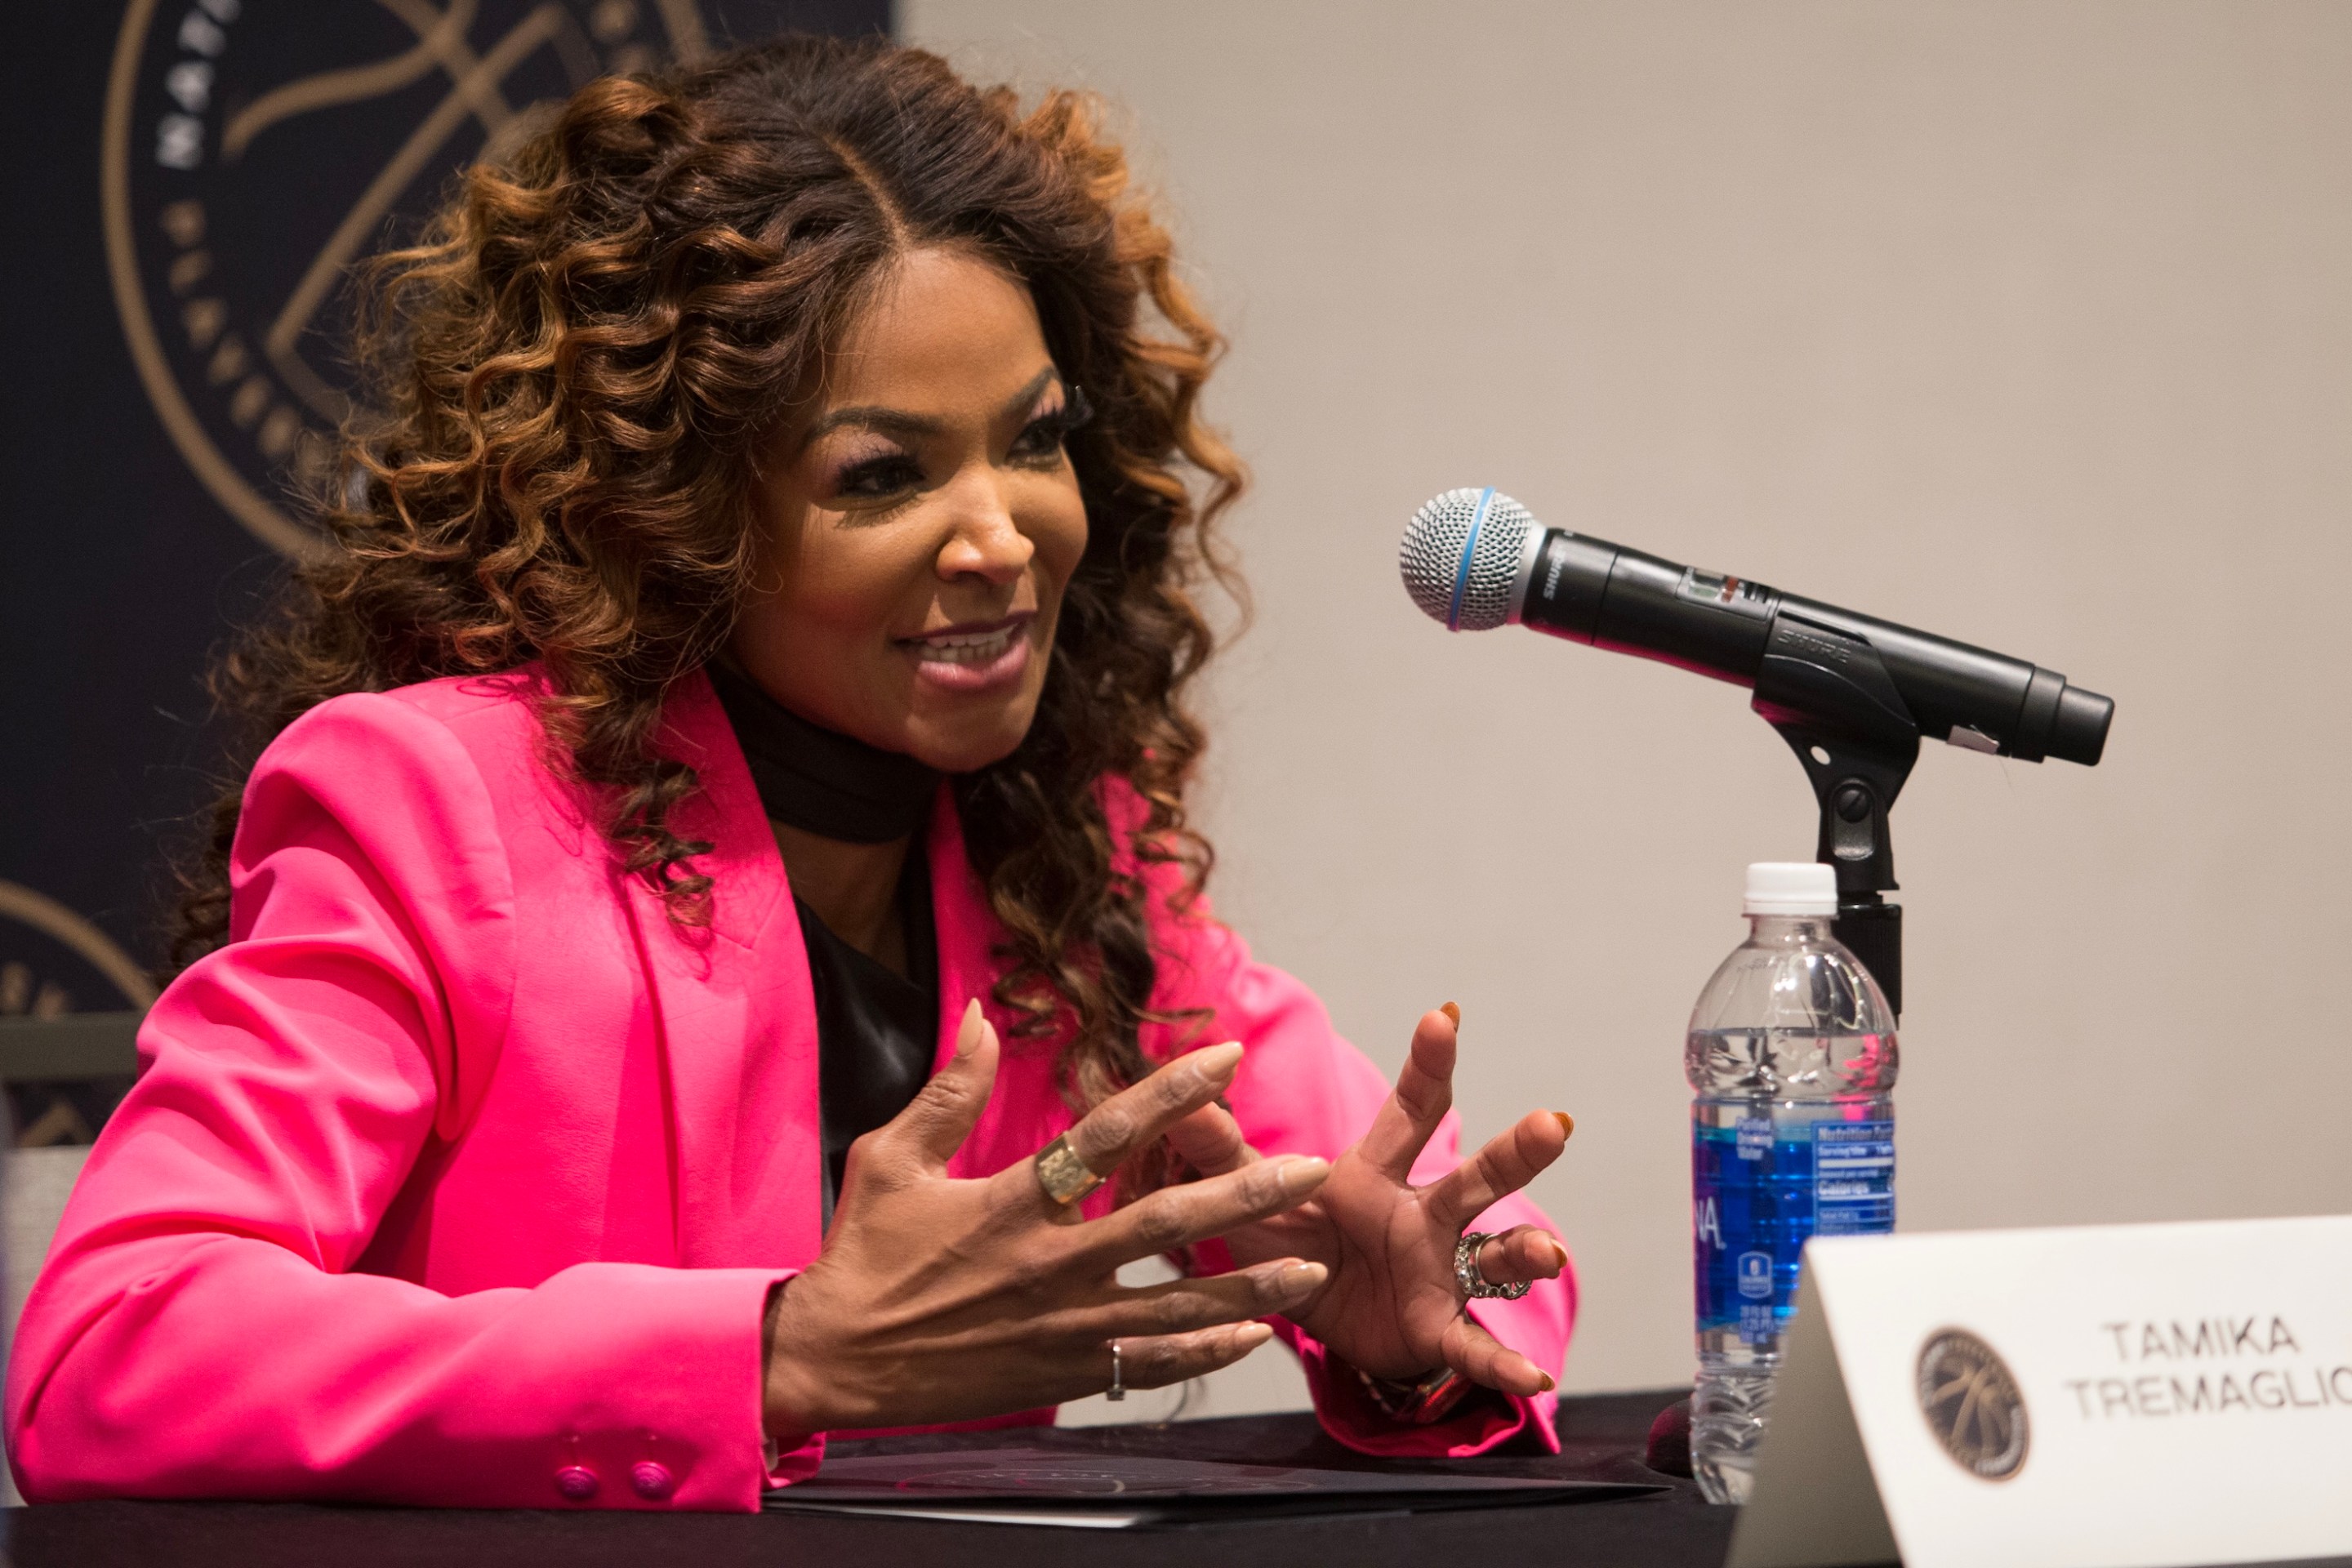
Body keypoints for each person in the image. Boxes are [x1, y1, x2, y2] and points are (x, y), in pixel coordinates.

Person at [5, 36, 1575, 1511]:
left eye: (1033, 443)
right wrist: (765, 1360)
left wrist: (1402, 1318)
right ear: (678, 518)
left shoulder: (1063, 861)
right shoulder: (431, 808)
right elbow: (111, 1351)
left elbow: (1453, 1233)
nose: (1003, 535)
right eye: (883, 475)